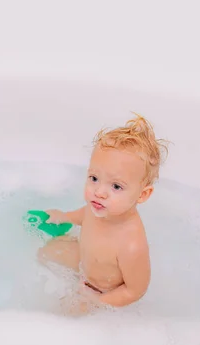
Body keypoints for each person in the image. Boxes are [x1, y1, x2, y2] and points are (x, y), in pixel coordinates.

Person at [38, 113, 169, 313]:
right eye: (94, 178)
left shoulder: (131, 245)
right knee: (43, 253)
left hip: (101, 291)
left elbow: (135, 291)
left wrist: (98, 301)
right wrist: (64, 217)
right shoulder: (100, 206)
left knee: (65, 314)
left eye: (116, 186)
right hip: (84, 263)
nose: (99, 192)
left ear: (142, 195)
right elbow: (84, 215)